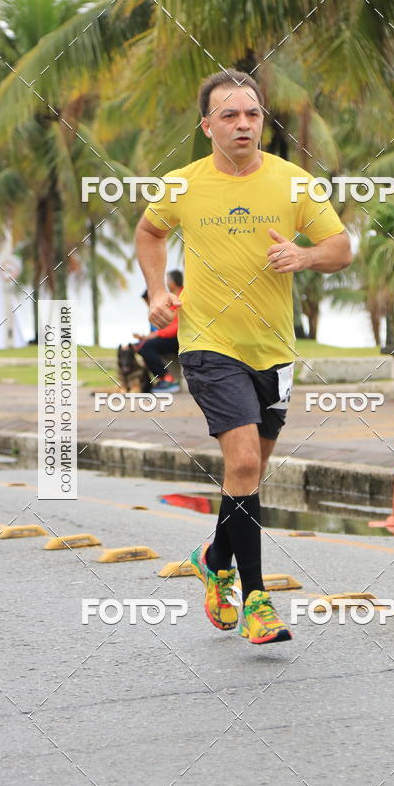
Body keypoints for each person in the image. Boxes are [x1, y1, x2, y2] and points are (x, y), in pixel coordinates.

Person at [135, 70, 351, 644]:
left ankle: (212, 556)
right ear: (207, 126)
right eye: (229, 115)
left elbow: (340, 248)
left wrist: (304, 258)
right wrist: (159, 292)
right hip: (208, 344)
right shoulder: (181, 185)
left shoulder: (294, 182)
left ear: (263, 122)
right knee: (246, 464)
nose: (242, 124)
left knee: (247, 476)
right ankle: (257, 599)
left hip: (274, 351)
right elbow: (150, 234)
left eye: (251, 114)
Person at [128, 273, 183, 393]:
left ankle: (167, 380)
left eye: (168, 280)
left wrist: (154, 335)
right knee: (141, 344)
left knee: (144, 346)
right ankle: (160, 379)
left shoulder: (181, 297)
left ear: (173, 283)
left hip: (181, 338)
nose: (167, 283)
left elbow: (178, 326)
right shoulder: (174, 296)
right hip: (174, 337)